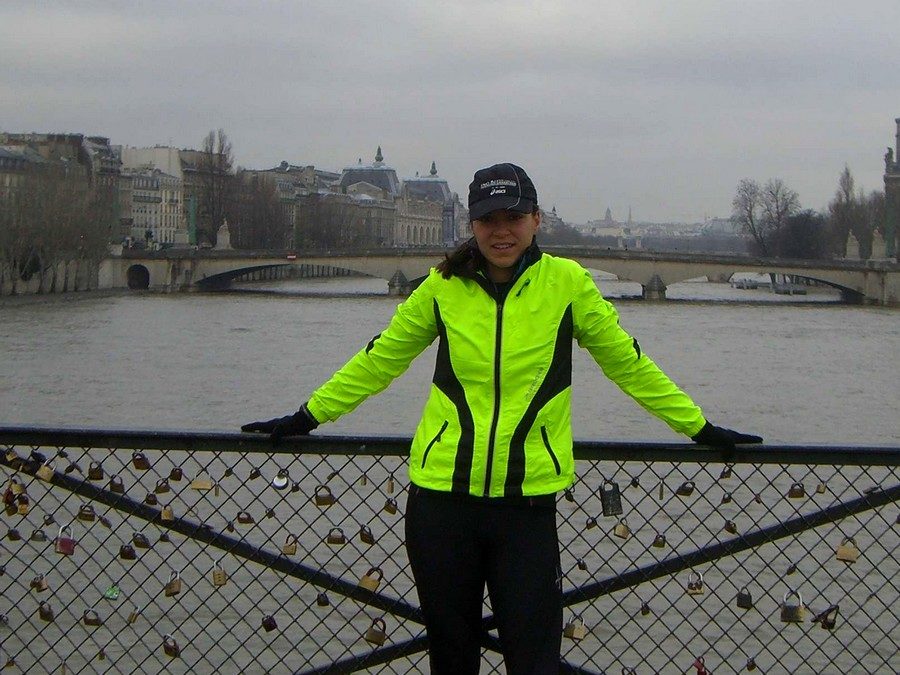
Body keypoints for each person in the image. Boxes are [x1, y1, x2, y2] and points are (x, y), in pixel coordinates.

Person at [242, 162, 762, 674]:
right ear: (472, 226)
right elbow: (379, 361)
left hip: (525, 506)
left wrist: (699, 427)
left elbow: (628, 365)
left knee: (534, 660)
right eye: (489, 220)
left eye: (513, 218)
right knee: (452, 658)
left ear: (536, 220)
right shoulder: (441, 286)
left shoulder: (569, 285)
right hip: (442, 502)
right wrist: (306, 416)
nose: (501, 231)